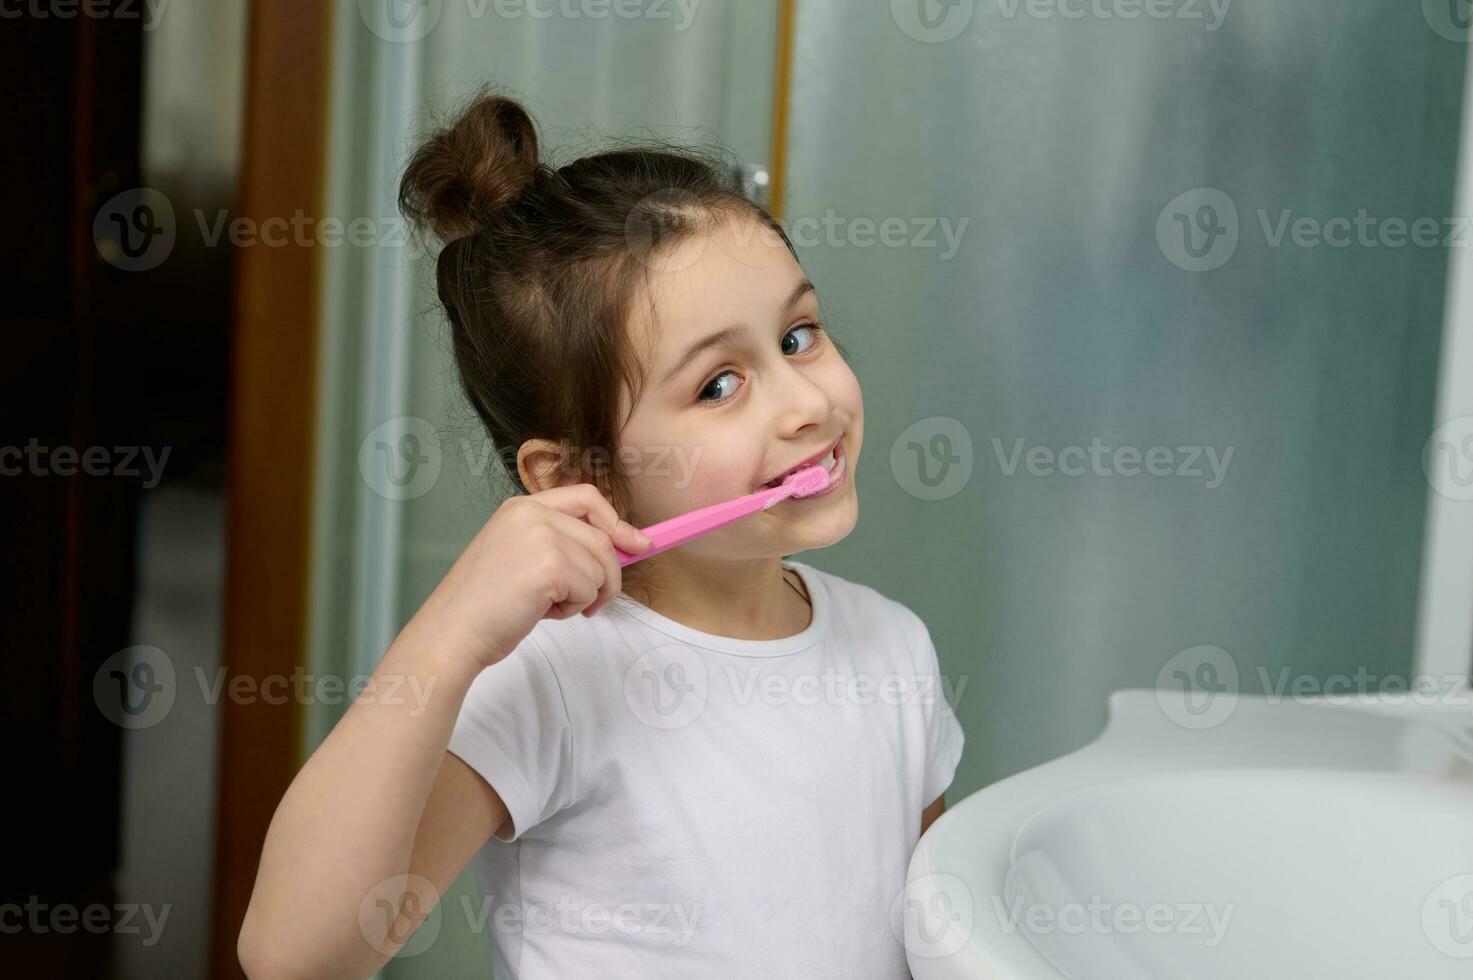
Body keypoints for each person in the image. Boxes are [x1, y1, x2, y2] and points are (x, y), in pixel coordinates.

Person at [238, 86, 965, 980]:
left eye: (799, 335)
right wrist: (449, 633)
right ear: (576, 476)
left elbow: (943, 942)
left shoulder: (893, 648)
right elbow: (294, 956)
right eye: (718, 385)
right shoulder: (551, 678)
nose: (808, 404)